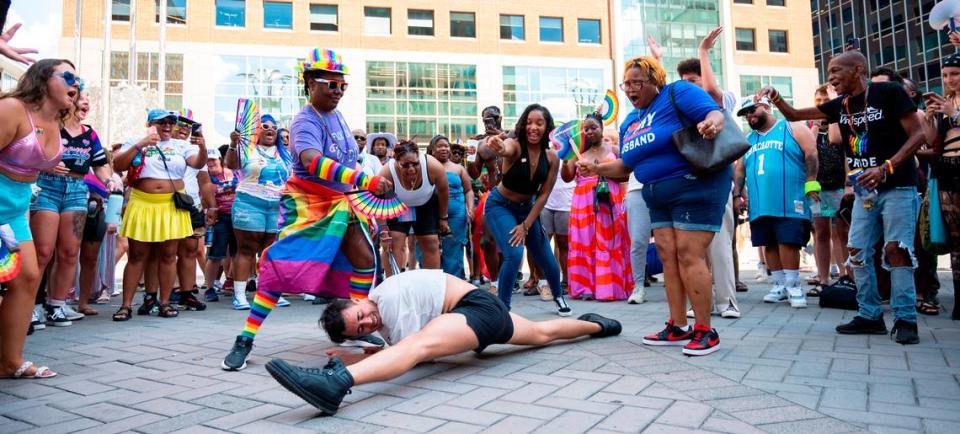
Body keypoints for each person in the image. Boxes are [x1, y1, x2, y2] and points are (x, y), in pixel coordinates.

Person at [221, 48, 392, 371]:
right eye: (331, 84)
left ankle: (353, 327)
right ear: (311, 82)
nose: (338, 91)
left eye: (342, 86)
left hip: (342, 202)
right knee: (281, 268)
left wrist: (360, 189)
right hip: (309, 204)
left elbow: (344, 158)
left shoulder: (337, 115)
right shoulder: (303, 121)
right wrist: (362, 179)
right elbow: (312, 161)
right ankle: (246, 337)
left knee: (365, 260)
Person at [264, 269, 622, 415]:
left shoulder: (387, 297)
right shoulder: (387, 319)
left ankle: (334, 384)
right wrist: (373, 349)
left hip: (473, 308)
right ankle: (597, 326)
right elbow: (404, 347)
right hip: (481, 312)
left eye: (361, 317)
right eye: (361, 331)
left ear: (357, 301)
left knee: (417, 346)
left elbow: (419, 352)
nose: (368, 323)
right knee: (542, 333)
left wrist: (351, 360)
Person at [757, 50, 925, 344]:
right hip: (864, 192)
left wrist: (887, 166)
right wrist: (777, 98)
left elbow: (919, 133)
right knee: (857, 251)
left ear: (858, 69)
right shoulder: (841, 105)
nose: (831, 78)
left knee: (896, 249)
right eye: (829, 72)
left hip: (897, 185)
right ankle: (870, 315)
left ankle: (905, 318)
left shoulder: (889, 92)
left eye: (836, 71)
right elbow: (795, 115)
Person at [578, 56, 728, 356]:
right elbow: (625, 167)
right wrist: (596, 169)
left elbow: (715, 113)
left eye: (637, 82)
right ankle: (677, 324)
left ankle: (704, 330)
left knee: (689, 254)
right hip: (656, 195)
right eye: (627, 84)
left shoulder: (677, 94)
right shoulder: (631, 121)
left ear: (655, 81)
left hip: (693, 185)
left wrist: (711, 124)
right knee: (668, 258)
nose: (631, 89)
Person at [0, 59, 76, 378]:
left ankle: (9, 361)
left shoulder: (55, 121)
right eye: (69, 76)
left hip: (17, 207)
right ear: (44, 79)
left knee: (28, 276)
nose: (76, 84)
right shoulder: (12, 109)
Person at [112, 109, 207, 321]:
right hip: (142, 203)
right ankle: (126, 305)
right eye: (161, 122)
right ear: (149, 123)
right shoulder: (135, 141)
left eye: (170, 122)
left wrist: (202, 147)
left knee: (168, 255)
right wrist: (141, 144)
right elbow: (118, 165)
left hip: (171, 205)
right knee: (137, 255)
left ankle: (164, 302)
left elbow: (198, 163)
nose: (166, 126)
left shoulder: (181, 145)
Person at [674, 27, 743, 318]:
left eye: (694, 80)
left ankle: (727, 302)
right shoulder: (682, 110)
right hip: (688, 182)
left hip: (717, 180)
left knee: (719, 244)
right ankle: (700, 301)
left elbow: (712, 92)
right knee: (692, 247)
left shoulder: (722, 99)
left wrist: (703, 51)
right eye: (684, 82)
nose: (689, 86)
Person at [481, 104, 571, 316]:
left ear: (547, 127)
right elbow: (504, 149)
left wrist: (526, 225)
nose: (533, 127)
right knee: (513, 254)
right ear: (523, 125)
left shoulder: (551, 157)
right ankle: (503, 308)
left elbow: (544, 194)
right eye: (529, 122)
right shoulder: (514, 145)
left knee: (547, 259)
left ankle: (558, 296)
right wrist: (497, 146)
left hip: (528, 210)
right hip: (500, 206)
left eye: (539, 123)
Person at [30, 90, 110, 326]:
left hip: (77, 190)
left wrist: (109, 180)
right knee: (43, 251)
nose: (85, 102)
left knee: (69, 252)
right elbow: (31, 155)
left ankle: (57, 305)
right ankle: (32, 306)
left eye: (88, 99)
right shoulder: (51, 126)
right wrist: (47, 164)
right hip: (47, 187)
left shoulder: (90, 134)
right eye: (80, 98)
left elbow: (101, 165)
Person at [734, 97, 820, 309]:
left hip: (790, 197)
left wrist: (811, 181)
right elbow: (739, 170)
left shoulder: (791, 127)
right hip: (760, 201)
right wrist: (737, 194)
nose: (749, 115)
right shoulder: (748, 139)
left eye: (752, 110)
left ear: (766, 106)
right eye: (745, 113)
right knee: (769, 242)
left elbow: (811, 152)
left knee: (788, 241)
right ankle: (779, 285)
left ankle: (793, 285)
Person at [562, 112, 632, 301]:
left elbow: (626, 174)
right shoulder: (579, 153)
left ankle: (610, 288)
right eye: (586, 128)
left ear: (602, 128)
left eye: (594, 127)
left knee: (609, 240)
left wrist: (601, 171)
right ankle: (585, 288)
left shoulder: (615, 150)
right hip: (583, 202)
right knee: (585, 241)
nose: (590, 131)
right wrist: (565, 156)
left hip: (608, 200)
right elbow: (567, 177)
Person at [224, 114, 292, 310]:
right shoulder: (247, 149)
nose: (270, 129)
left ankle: (270, 293)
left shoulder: (284, 153)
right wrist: (233, 144)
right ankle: (239, 295)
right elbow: (232, 164)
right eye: (264, 126)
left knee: (270, 252)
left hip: (276, 207)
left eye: (273, 126)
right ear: (256, 130)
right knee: (246, 250)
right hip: (249, 204)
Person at [923, 53, 960, 320]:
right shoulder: (946, 101)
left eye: (955, 74)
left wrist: (954, 114)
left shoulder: (952, 106)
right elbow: (932, 141)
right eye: (946, 75)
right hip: (946, 172)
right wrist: (930, 118)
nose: (949, 80)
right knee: (955, 240)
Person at [378, 140, 449, 272]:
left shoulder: (433, 166)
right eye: (405, 165)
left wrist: (443, 217)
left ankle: (431, 285)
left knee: (431, 242)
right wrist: (383, 229)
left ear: (419, 158)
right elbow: (378, 201)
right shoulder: (386, 172)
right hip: (397, 204)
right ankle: (394, 285)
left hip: (425, 202)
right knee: (393, 242)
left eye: (415, 164)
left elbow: (444, 190)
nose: (411, 169)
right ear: (397, 163)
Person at [808, 84, 852, 296]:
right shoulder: (811, 127)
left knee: (842, 232)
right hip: (819, 188)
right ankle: (823, 277)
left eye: (825, 100)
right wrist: (815, 126)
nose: (821, 105)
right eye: (818, 101)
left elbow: (841, 145)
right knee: (821, 233)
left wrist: (848, 184)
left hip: (838, 186)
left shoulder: (841, 121)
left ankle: (846, 275)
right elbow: (808, 153)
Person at [429, 135, 474, 279]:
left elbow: (468, 190)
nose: (444, 148)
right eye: (440, 146)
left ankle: (454, 283)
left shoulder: (458, 168)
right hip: (431, 213)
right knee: (430, 247)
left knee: (454, 249)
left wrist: (470, 208)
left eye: (446, 146)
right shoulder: (426, 166)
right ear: (432, 150)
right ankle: (433, 282)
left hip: (457, 214)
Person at [202, 146, 238, 302]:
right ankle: (209, 287)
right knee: (216, 254)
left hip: (238, 217)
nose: (210, 163)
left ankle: (238, 287)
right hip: (219, 219)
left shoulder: (233, 172)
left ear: (220, 159)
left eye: (213, 160)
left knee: (238, 254)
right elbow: (204, 202)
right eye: (207, 161)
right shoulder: (204, 179)